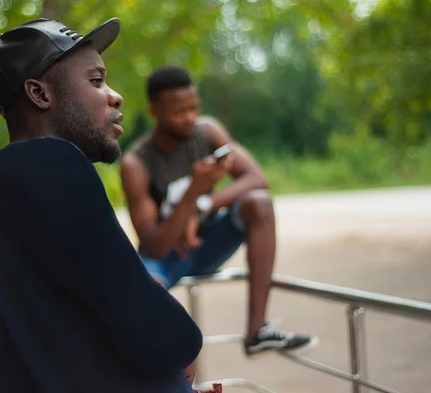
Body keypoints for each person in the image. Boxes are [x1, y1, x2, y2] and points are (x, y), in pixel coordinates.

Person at [0, 18, 203, 392]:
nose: (115, 95)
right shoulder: (51, 163)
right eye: (95, 81)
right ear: (39, 94)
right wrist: (180, 340)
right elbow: (162, 334)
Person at [120, 66, 319, 356]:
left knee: (259, 202)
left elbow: (256, 178)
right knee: (143, 292)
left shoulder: (208, 131)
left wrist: (201, 205)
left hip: (209, 242)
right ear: (154, 111)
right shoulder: (136, 164)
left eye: (194, 107)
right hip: (167, 257)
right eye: (178, 111)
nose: (189, 117)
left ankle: (257, 331)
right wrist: (193, 191)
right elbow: (155, 246)